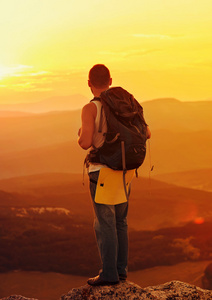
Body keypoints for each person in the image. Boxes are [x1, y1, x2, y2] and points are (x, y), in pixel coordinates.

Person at [78, 64, 151, 286]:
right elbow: (147, 132)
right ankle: (121, 271)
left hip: (102, 171)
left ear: (89, 83)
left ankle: (108, 274)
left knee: (104, 223)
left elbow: (85, 143)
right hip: (125, 170)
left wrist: (80, 134)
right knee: (121, 221)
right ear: (110, 81)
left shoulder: (91, 108)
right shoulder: (126, 102)